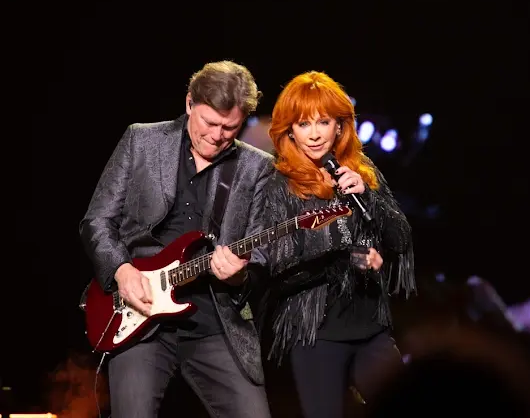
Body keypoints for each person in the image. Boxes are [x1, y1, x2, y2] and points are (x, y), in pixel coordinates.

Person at [79, 60, 274, 418]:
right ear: (189, 103)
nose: (217, 136)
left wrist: (240, 275)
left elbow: (261, 253)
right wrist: (122, 270)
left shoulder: (257, 166)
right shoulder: (141, 140)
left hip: (215, 320)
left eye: (229, 128)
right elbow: (97, 220)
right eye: (209, 123)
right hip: (138, 313)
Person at [257, 71, 416, 418]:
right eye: (303, 124)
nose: (314, 134)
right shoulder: (279, 185)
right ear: (289, 131)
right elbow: (278, 265)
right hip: (316, 333)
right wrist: (346, 258)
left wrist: (368, 195)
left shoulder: (362, 171)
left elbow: (401, 239)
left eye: (323, 122)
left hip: (370, 325)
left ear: (340, 126)